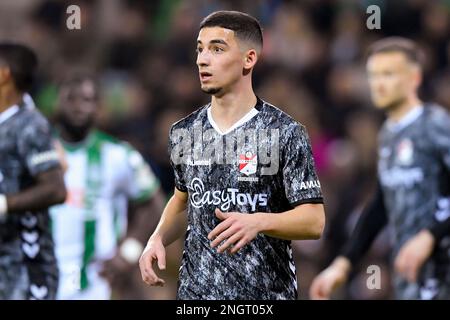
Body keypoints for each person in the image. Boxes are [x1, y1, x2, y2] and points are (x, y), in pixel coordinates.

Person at [139, 10, 325, 300]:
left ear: (249, 59)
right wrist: (157, 238)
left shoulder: (284, 132)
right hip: (195, 297)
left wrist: (259, 221)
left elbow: (314, 221)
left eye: (217, 49)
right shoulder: (184, 131)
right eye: (200, 49)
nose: (202, 59)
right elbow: (182, 199)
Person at [310, 37, 450, 300]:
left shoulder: (436, 125)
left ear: (414, 78)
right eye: (373, 75)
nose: (379, 83)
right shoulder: (388, 134)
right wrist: (344, 262)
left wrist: (431, 236)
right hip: (413, 273)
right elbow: (382, 203)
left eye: (388, 74)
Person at [49, 73, 166, 299]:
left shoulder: (118, 154)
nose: (78, 107)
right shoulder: (38, 151)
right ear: (57, 103)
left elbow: (154, 202)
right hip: (39, 274)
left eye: (87, 100)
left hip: (94, 282)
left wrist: (129, 252)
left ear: (98, 107)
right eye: (71, 99)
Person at [0, 43, 67, 299]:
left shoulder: (30, 125)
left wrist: (4, 204)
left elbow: (55, 189)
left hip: (26, 267)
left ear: (4, 74)